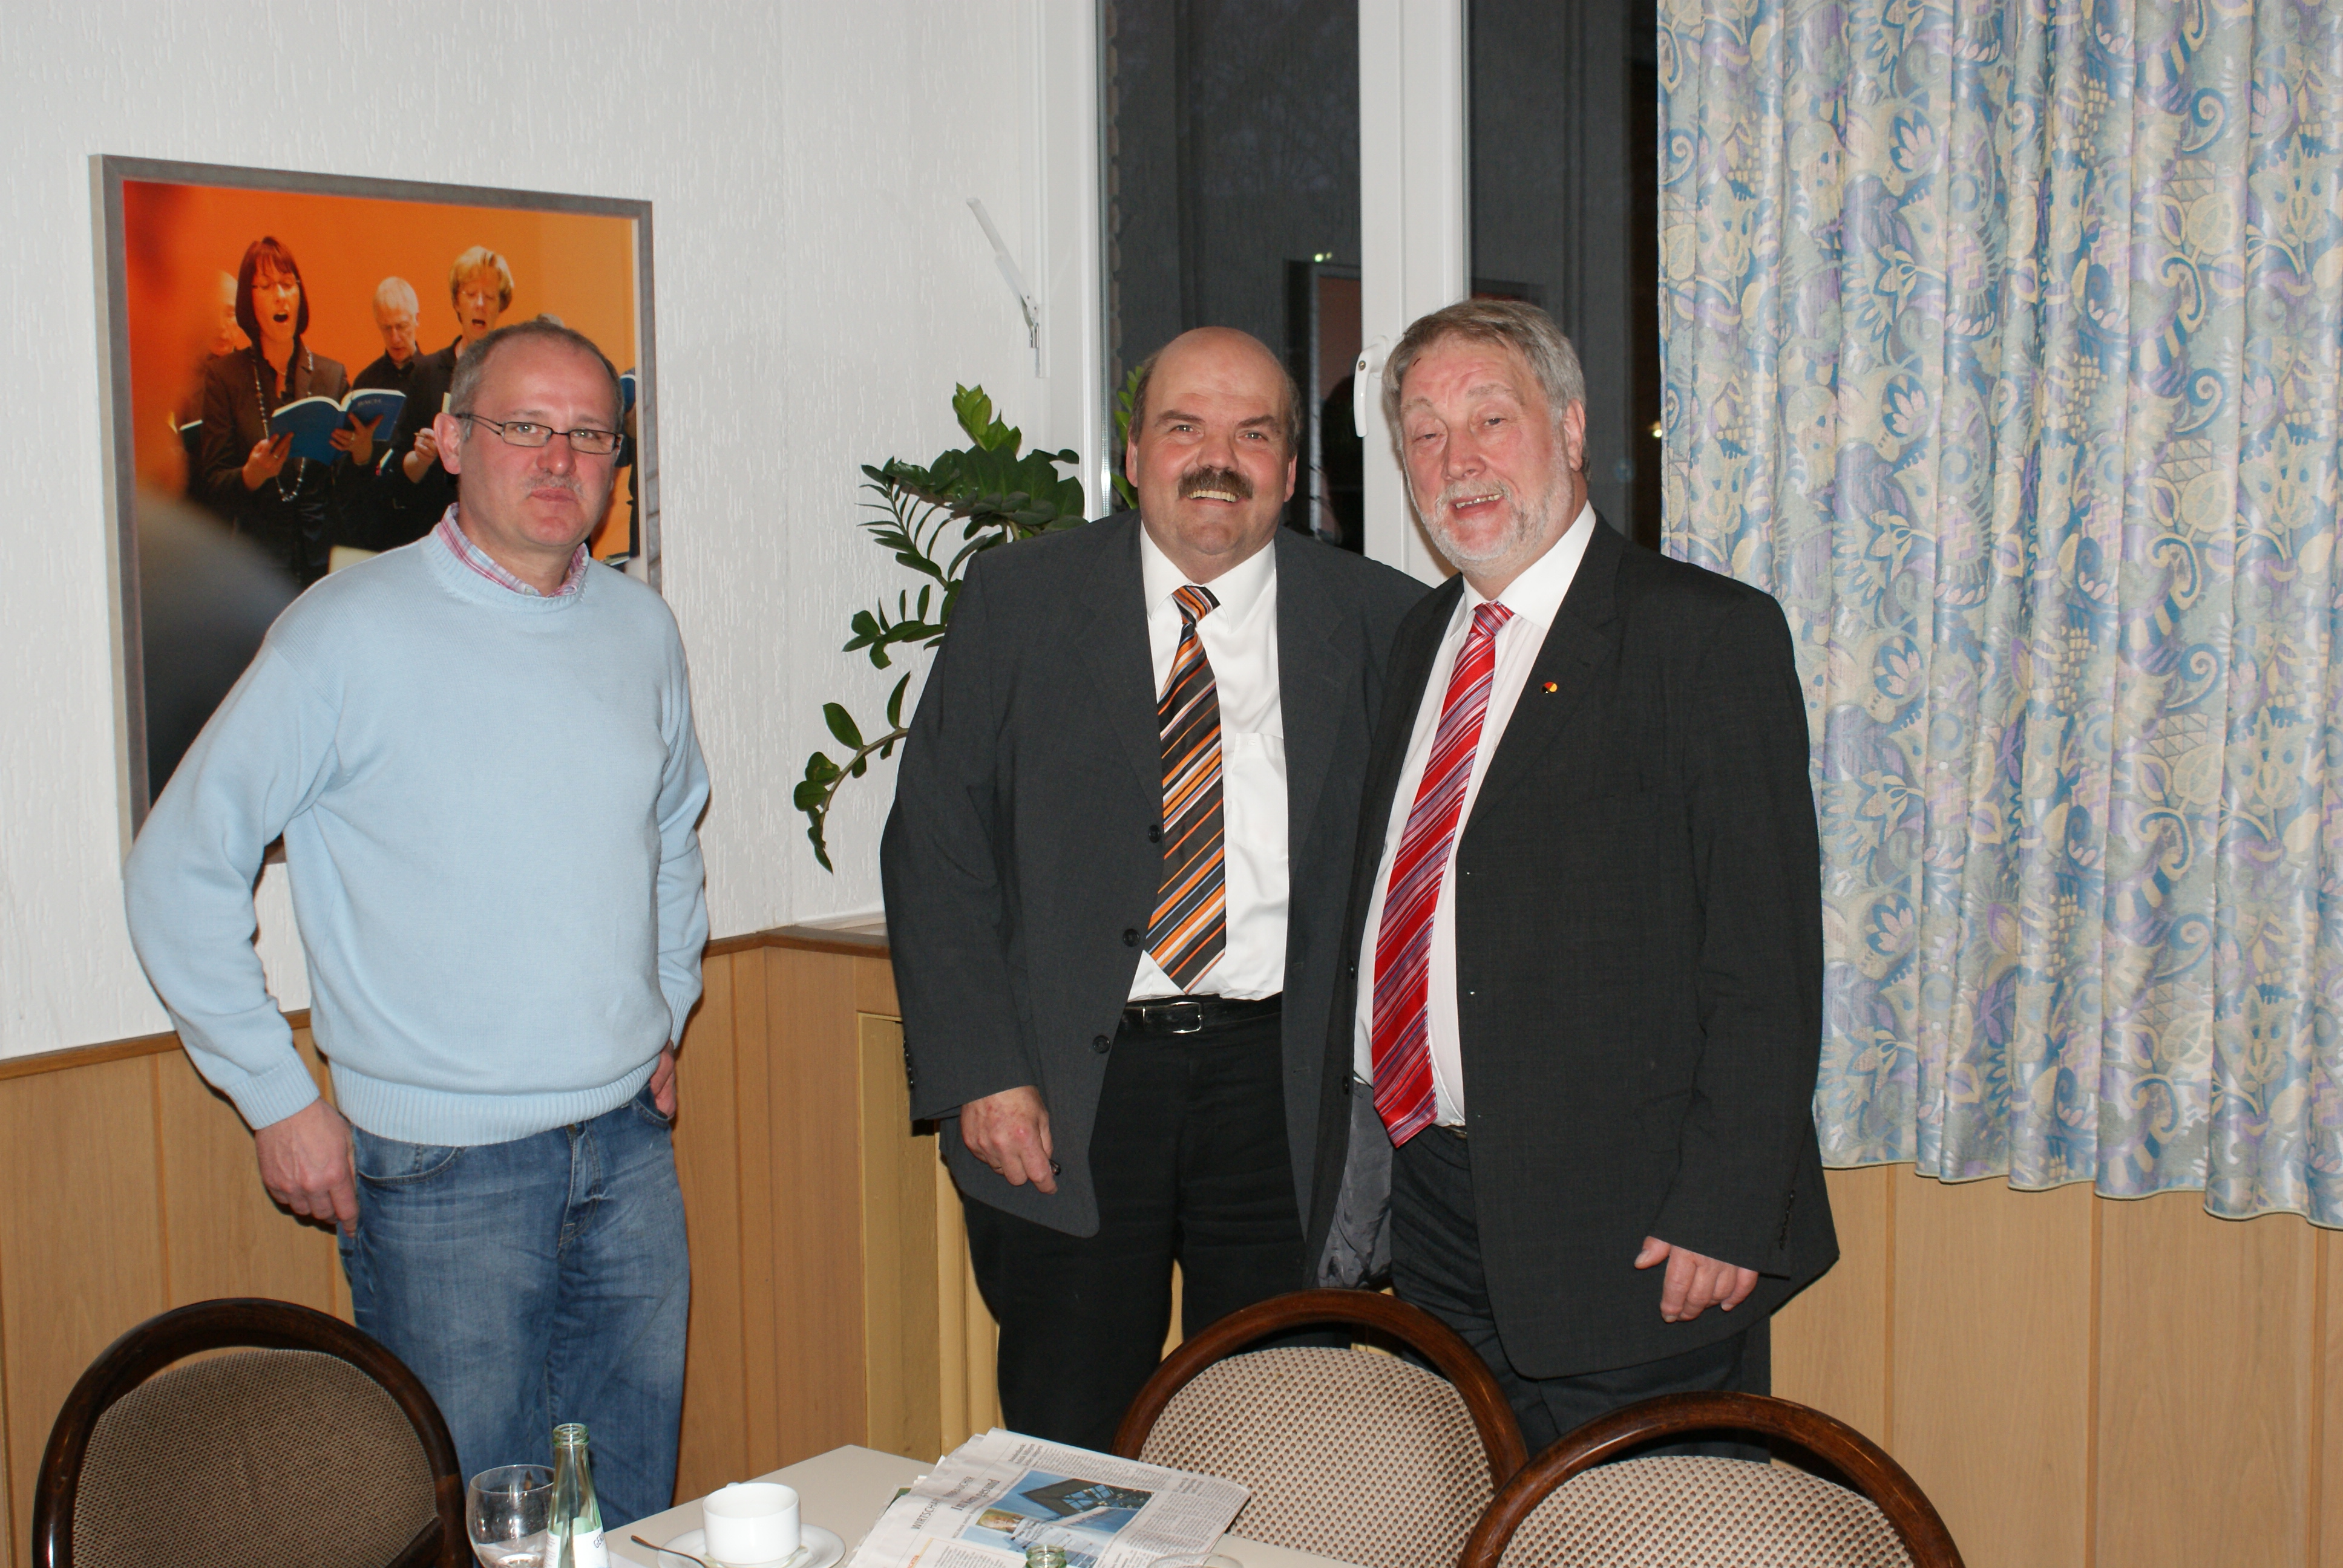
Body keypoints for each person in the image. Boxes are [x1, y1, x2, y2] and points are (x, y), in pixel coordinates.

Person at [126, 319, 707, 1524]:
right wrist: (274, 1096)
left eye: (589, 434)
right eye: (523, 427)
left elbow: (671, 837)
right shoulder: (344, 632)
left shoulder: (641, 629)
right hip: (443, 1179)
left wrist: (666, 1007)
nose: (559, 459)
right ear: (448, 440)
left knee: (630, 1522)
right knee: (471, 1529)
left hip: (629, 1156)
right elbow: (179, 866)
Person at [1306, 298, 1836, 1457]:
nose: (1458, 461)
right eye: (1425, 434)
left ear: (1574, 426)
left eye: (1489, 419)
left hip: (1634, 1231)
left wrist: (1729, 1205)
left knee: (1643, 1522)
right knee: (1473, 1514)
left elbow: (1764, 957)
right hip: (1435, 1212)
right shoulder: (1419, 640)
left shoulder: (1703, 636)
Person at [882, 327, 1427, 1451]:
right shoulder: (1020, 601)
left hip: (1284, 1089)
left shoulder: (1379, 618)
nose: (1216, 458)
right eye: (1184, 427)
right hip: (1068, 1093)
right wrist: (983, 1070)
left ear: (1290, 467)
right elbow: (937, 844)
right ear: (1133, 455)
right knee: (1072, 1429)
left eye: (1252, 433)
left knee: (1275, 1430)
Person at [194, 238, 379, 585]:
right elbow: (213, 484)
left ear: (299, 294)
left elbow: (349, 491)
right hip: (255, 562)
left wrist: (362, 454)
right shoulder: (225, 377)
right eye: (266, 286)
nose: (280, 296)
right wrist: (251, 474)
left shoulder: (331, 376)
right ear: (249, 301)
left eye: (287, 284)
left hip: (322, 559)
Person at [378, 246, 516, 543]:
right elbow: (398, 474)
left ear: (501, 306)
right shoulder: (427, 373)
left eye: (490, 297)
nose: (480, 304)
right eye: (471, 294)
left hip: (498, 533)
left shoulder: (515, 375)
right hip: (435, 533)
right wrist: (422, 458)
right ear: (456, 302)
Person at [344, 277, 428, 550]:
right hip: (376, 520)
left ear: (417, 319)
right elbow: (352, 473)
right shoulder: (366, 382)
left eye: (401, 326)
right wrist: (360, 455)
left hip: (423, 517)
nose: (394, 338)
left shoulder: (434, 377)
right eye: (386, 328)